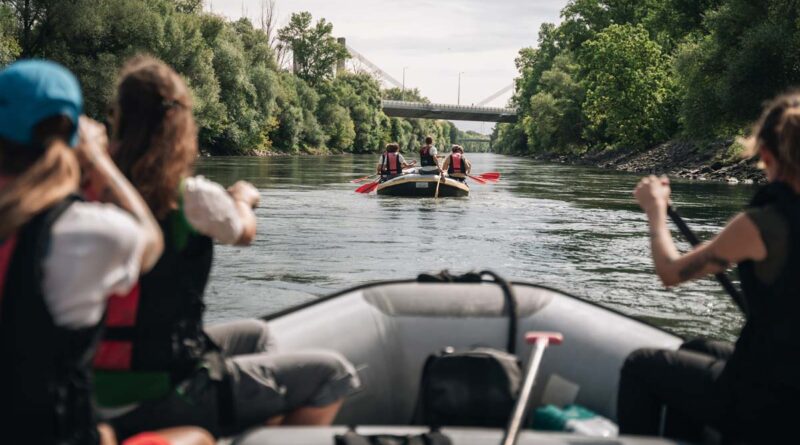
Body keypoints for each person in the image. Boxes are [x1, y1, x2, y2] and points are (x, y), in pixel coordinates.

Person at [93, 56, 360, 441]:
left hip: (94, 386)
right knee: (334, 374)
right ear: (178, 124)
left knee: (256, 336)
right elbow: (244, 233)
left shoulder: (88, 192)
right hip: (164, 391)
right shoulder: (192, 198)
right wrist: (242, 196)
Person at [0, 60, 213, 445]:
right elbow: (149, 242)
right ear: (72, 136)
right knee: (195, 438)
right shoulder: (81, 233)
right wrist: (98, 159)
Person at [618, 92, 800, 442]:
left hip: (770, 405)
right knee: (697, 348)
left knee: (640, 366)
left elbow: (671, 271)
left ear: (766, 155)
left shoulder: (764, 224)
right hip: (785, 385)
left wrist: (656, 209)